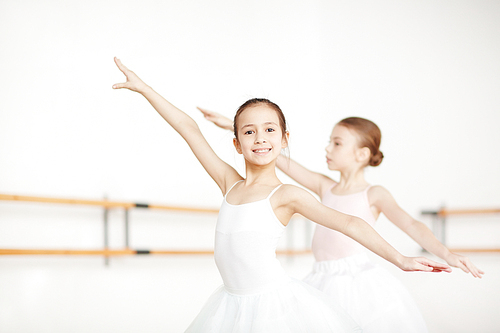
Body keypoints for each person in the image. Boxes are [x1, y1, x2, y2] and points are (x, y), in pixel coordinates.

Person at [112, 57, 452, 333]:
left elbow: (349, 223)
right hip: (230, 305)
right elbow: (189, 128)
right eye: (249, 132)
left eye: (269, 130)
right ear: (237, 143)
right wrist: (145, 89)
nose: (260, 138)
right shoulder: (228, 182)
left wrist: (401, 260)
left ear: (284, 139)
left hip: (273, 307)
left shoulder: (287, 195)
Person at [197, 107, 484, 332]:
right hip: (322, 276)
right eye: (329, 142)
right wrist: (233, 126)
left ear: (361, 154)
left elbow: (411, 224)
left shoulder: (375, 193)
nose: (327, 149)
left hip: (359, 281)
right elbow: (273, 157)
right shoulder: (324, 186)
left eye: (336, 143)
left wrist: (445, 252)